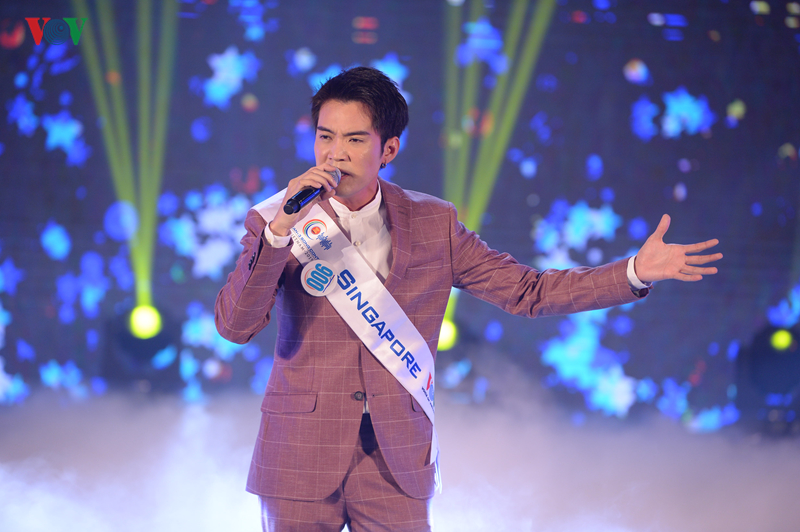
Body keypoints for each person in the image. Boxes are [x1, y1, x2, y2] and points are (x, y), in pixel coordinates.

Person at [215, 66, 722, 532]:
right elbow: (235, 325)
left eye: (354, 139)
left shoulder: (434, 223)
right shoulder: (277, 219)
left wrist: (632, 272)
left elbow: (527, 291)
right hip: (299, 450)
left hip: (395, 457)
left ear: (388, 149)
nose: (334, 154)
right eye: (325, 137)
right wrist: (279, 232)